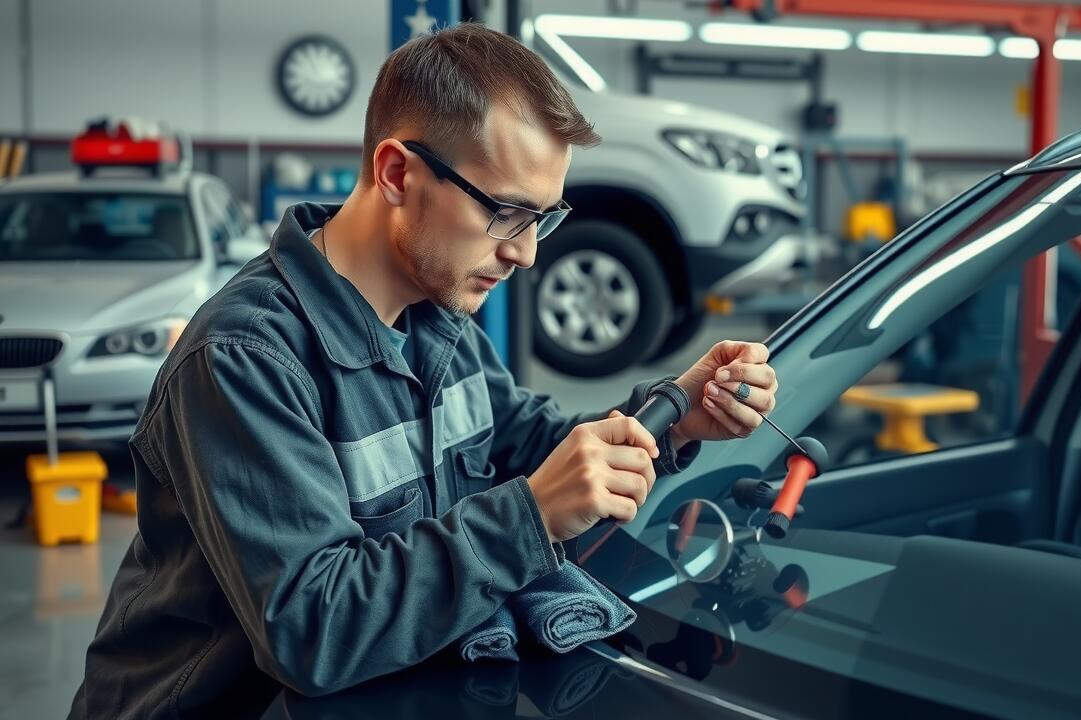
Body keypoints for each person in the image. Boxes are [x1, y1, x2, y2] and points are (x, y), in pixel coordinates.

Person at [70, 23, 779, 718]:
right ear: (398, 173)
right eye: (508, 213)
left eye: (545, 218)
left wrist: (674, 415)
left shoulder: (437, 318)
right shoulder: (244, 358)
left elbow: (532, 448)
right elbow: (311, 631)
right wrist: (527, 517)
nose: (528, 254)